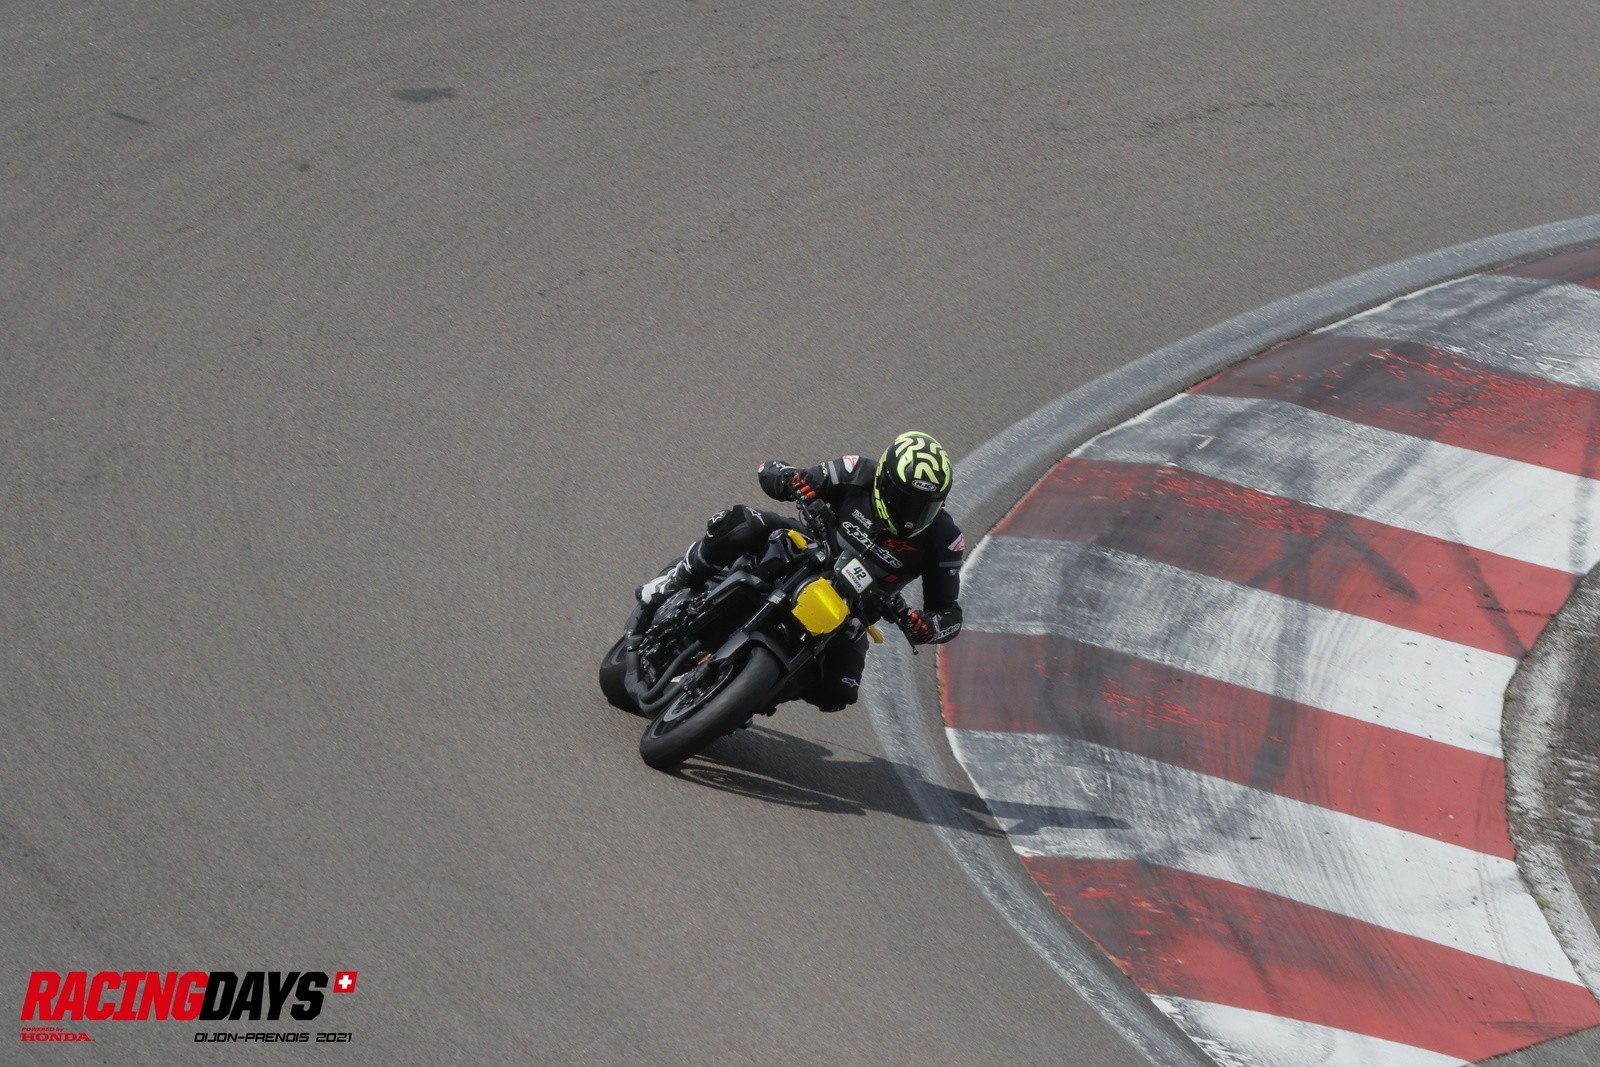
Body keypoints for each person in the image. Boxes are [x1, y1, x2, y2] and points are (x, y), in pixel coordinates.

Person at [638, 431, 965, 711]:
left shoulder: (945, 540)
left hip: (853, 611)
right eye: (904, 501)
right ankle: (676, 580)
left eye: (926, 507)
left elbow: (949, 613)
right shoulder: (856, 471)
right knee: (745, 524)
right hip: (808, 551)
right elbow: (771, 470)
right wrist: (792, 481)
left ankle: (746, 699)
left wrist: (927, 626)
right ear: (883, 480)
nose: (911, 516)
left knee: (839, 690)